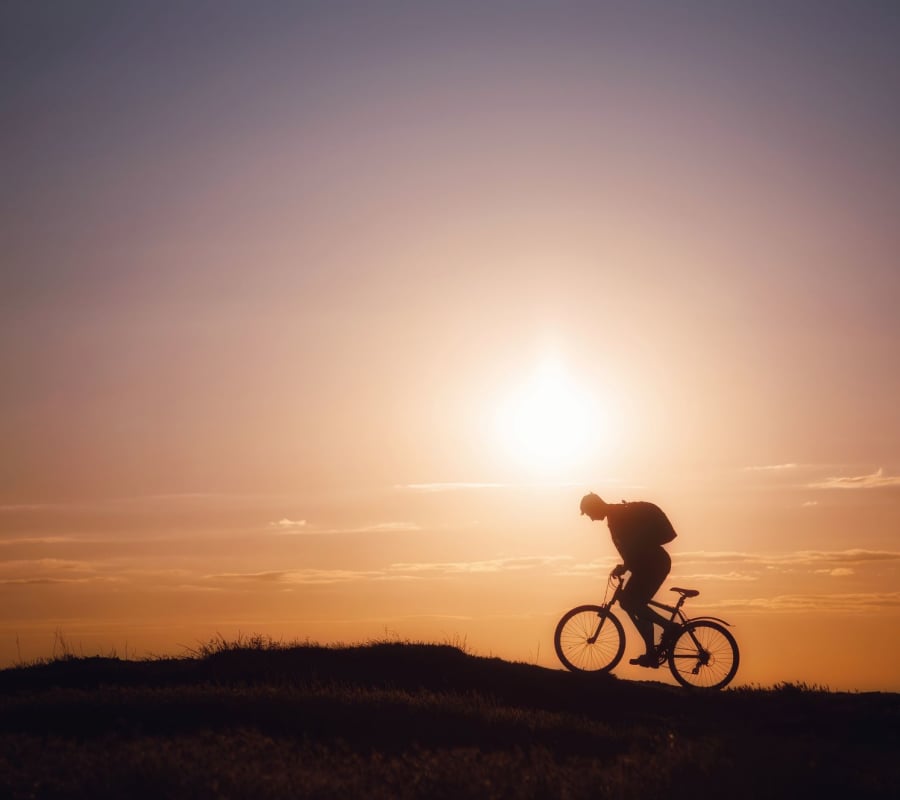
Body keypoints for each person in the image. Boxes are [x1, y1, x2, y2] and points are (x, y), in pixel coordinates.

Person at [580, 492, 679, 668]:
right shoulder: (615, 516)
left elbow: (634, 547)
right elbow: (634, 548)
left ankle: (669, 627)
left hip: (653, 565)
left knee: (633, 603)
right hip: (649, 565)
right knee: (630, 603)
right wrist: (625, 566)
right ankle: (651, 653)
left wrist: (624, 567)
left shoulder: (618, 518)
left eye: (589, 513)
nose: (591, 519)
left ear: (595, 507)